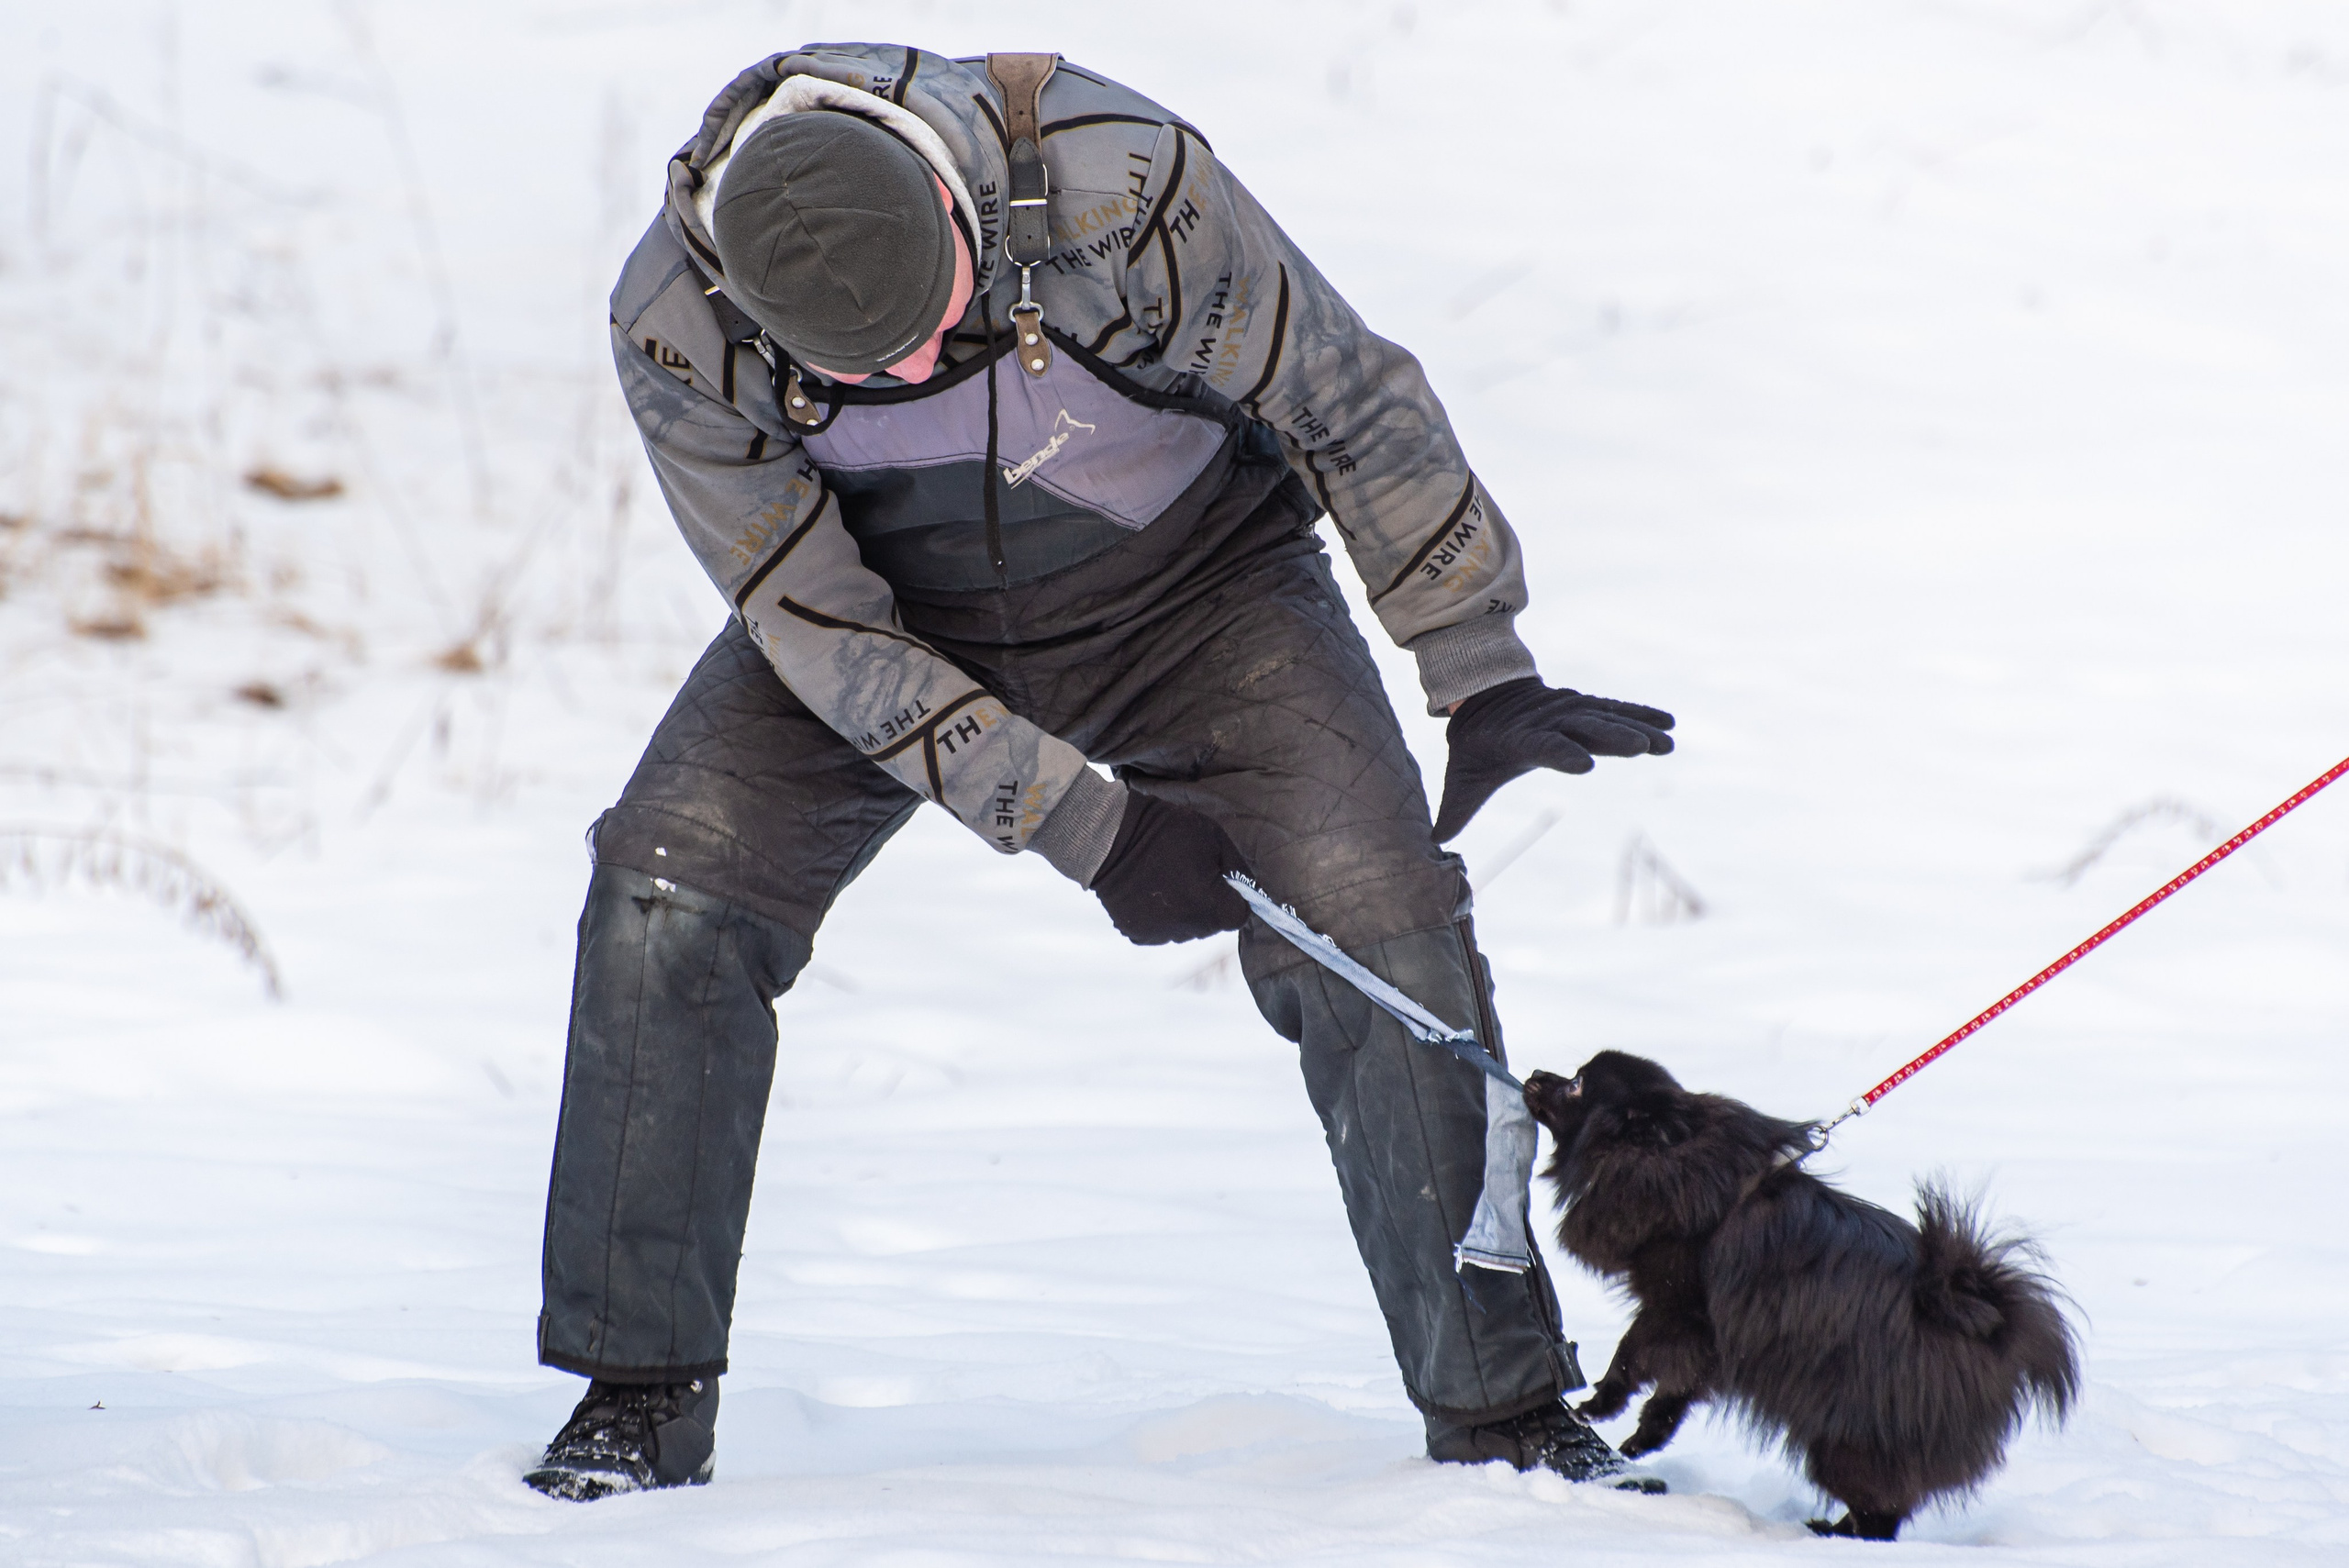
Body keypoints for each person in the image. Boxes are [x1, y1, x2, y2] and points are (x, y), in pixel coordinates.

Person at [524, 45, 1675, 1501]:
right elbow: (808, 616)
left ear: (960, 215)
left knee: (1374, 912)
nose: (896, 376)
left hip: (1203, 590)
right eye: (855, 371)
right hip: (885, 617)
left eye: (925, 331)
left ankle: (1505, 1409)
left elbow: (1344, 395)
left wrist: (1476, 658)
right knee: (667, 881)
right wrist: (1083, 821)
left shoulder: (1120, 183)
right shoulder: (675, 323)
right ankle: (633, 1395)